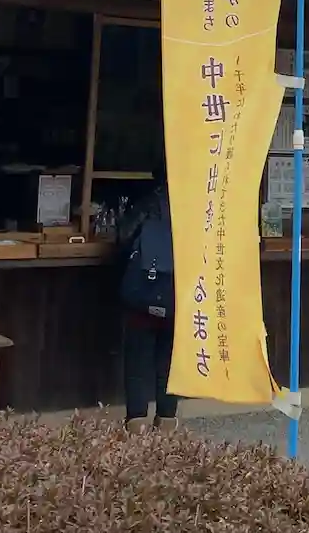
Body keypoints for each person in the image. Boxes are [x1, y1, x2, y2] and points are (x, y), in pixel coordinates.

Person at [117, 154, 178, 431]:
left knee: (138, 361)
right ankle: (167, 420)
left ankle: (137, 422)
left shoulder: (146, 205)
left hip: (143, 294)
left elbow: (123, 238)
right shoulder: (197, 206)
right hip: (177, 295)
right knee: (169, 362)